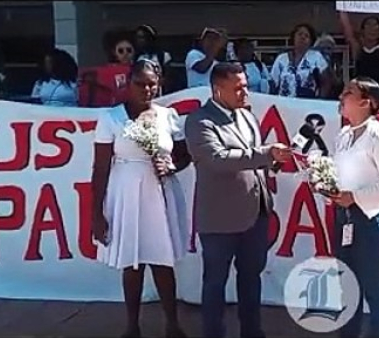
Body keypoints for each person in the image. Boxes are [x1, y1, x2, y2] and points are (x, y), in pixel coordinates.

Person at [185, 62, 292, 338]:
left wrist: (276, 161)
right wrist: (267, 153)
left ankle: (252, 332)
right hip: (220, 218)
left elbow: (256, 160)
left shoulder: (246, 116)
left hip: (255, 214)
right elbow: (217, 159)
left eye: (246, 86)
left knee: (251, 278)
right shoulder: (199, 120)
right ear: (217, 90)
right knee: (215, 283)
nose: (245, 93)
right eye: (238, 88)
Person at [91, 59, 190, 338]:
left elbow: (184, 155)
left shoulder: (168, 116)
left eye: (151, 84)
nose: (146, 89)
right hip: (126, 191)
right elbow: (100, 169)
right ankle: (132, 327)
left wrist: (171, 166)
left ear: (159, 84)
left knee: (162, 260)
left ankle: (172, 325)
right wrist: (96, 213)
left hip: (161, 192)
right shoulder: (110, 118)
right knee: (132, 262)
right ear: (128, 83)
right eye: (140, 83)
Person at [328, 76, 379, 338]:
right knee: (348, 290)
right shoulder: (344, 135)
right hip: (344, 220)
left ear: (366, 102)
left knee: (374, 290)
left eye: (348, 92)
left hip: (372, 223)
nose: (341, 96)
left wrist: (356, 197)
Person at [339, 12, 379, 97]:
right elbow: (349, 35)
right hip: (361, 95)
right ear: (362, 30)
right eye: (368, 25)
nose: (371, 29)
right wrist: (342, 9)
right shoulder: (358, 50)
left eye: (375, 26)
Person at [270, 23, 329, 98]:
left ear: (311, 41)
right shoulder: (281, 59)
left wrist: (319, 101)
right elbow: (273, 84)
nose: (303, 37)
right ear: (293, 37)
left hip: (307, 104)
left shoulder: (316, 57)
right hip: (284, 104)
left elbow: (326, 82)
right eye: (300, 34)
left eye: (306, 36)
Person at [134, 24, 172, 95]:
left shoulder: (163, 56)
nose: (139, 40)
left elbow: (168, 78)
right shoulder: (137, 57)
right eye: (137, 37)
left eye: (141, 37)